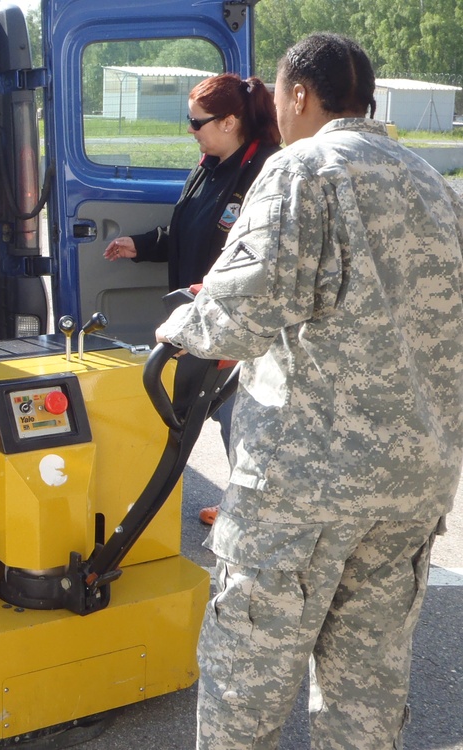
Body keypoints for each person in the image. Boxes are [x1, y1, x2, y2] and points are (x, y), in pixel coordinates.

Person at [156, 32, 463, 749]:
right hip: (412, 485)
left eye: (279, 96)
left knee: (247, 683)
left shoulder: (303, 169)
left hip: (306, 488)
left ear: (300, 95)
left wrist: (178, 325)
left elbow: (236, 316)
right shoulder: (432, 184)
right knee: (366, 689)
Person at [103, 72, 280, 526]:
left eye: (196, 122)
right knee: (202, 412)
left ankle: (250, 511)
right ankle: (237, 503)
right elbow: (189, 232)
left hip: (233, 319)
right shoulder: (208, 165)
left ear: (230, 121)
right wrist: (141, 245)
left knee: (235, 416)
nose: (189, 130)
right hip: (199, 315)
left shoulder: (264, 173)